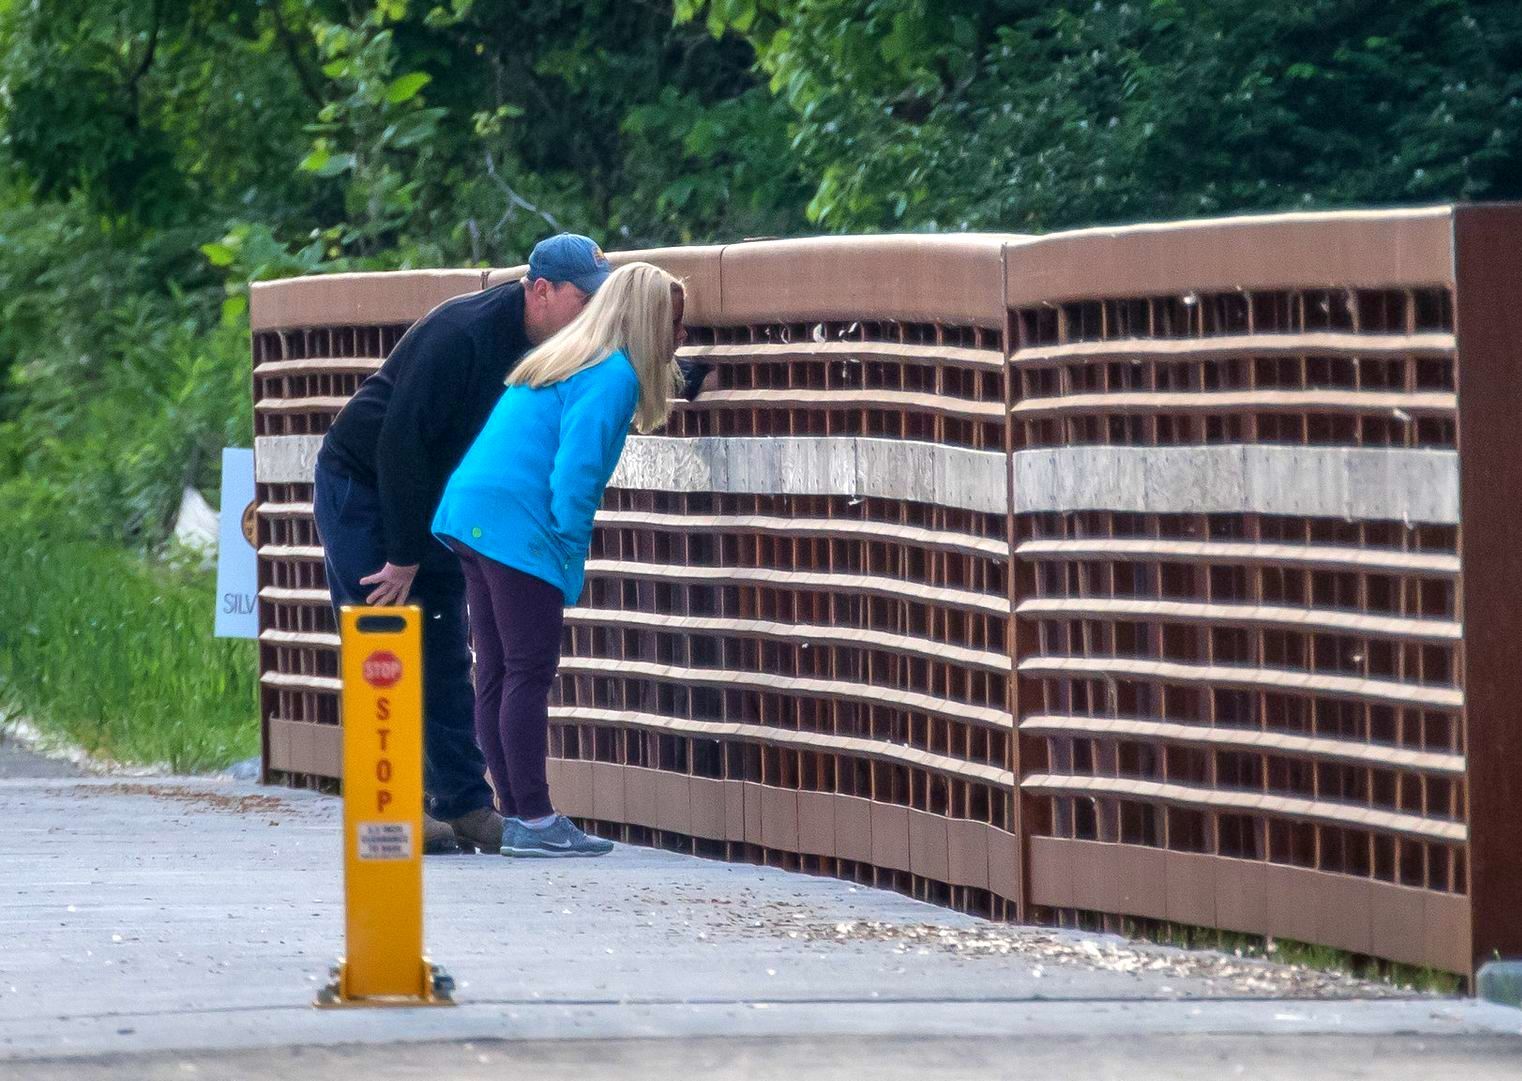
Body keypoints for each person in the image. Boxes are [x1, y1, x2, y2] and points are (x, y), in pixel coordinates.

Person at [314, 234, 612, 854]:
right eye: (584, 300)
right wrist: (401, 555)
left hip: (446, 502)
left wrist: (684, 374)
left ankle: (465, 805)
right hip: (366, 483)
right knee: (384, 641)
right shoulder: (462, 333)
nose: (594, 315)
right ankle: (396, 809)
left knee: (447, 649)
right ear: (540, 291)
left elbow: (615, 382)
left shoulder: (565, 343)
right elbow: (400, 441)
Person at [432, 262, 685, 857]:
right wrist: (568, 554)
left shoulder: (566, 359)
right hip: (522, 526)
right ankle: (539, 820)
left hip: (472, 513)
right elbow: (577, 476)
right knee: (529, 670)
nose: (681, 337)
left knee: (495, 671)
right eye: (675, 323)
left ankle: (519, 817)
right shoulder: (613, 375)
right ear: (646, 320)